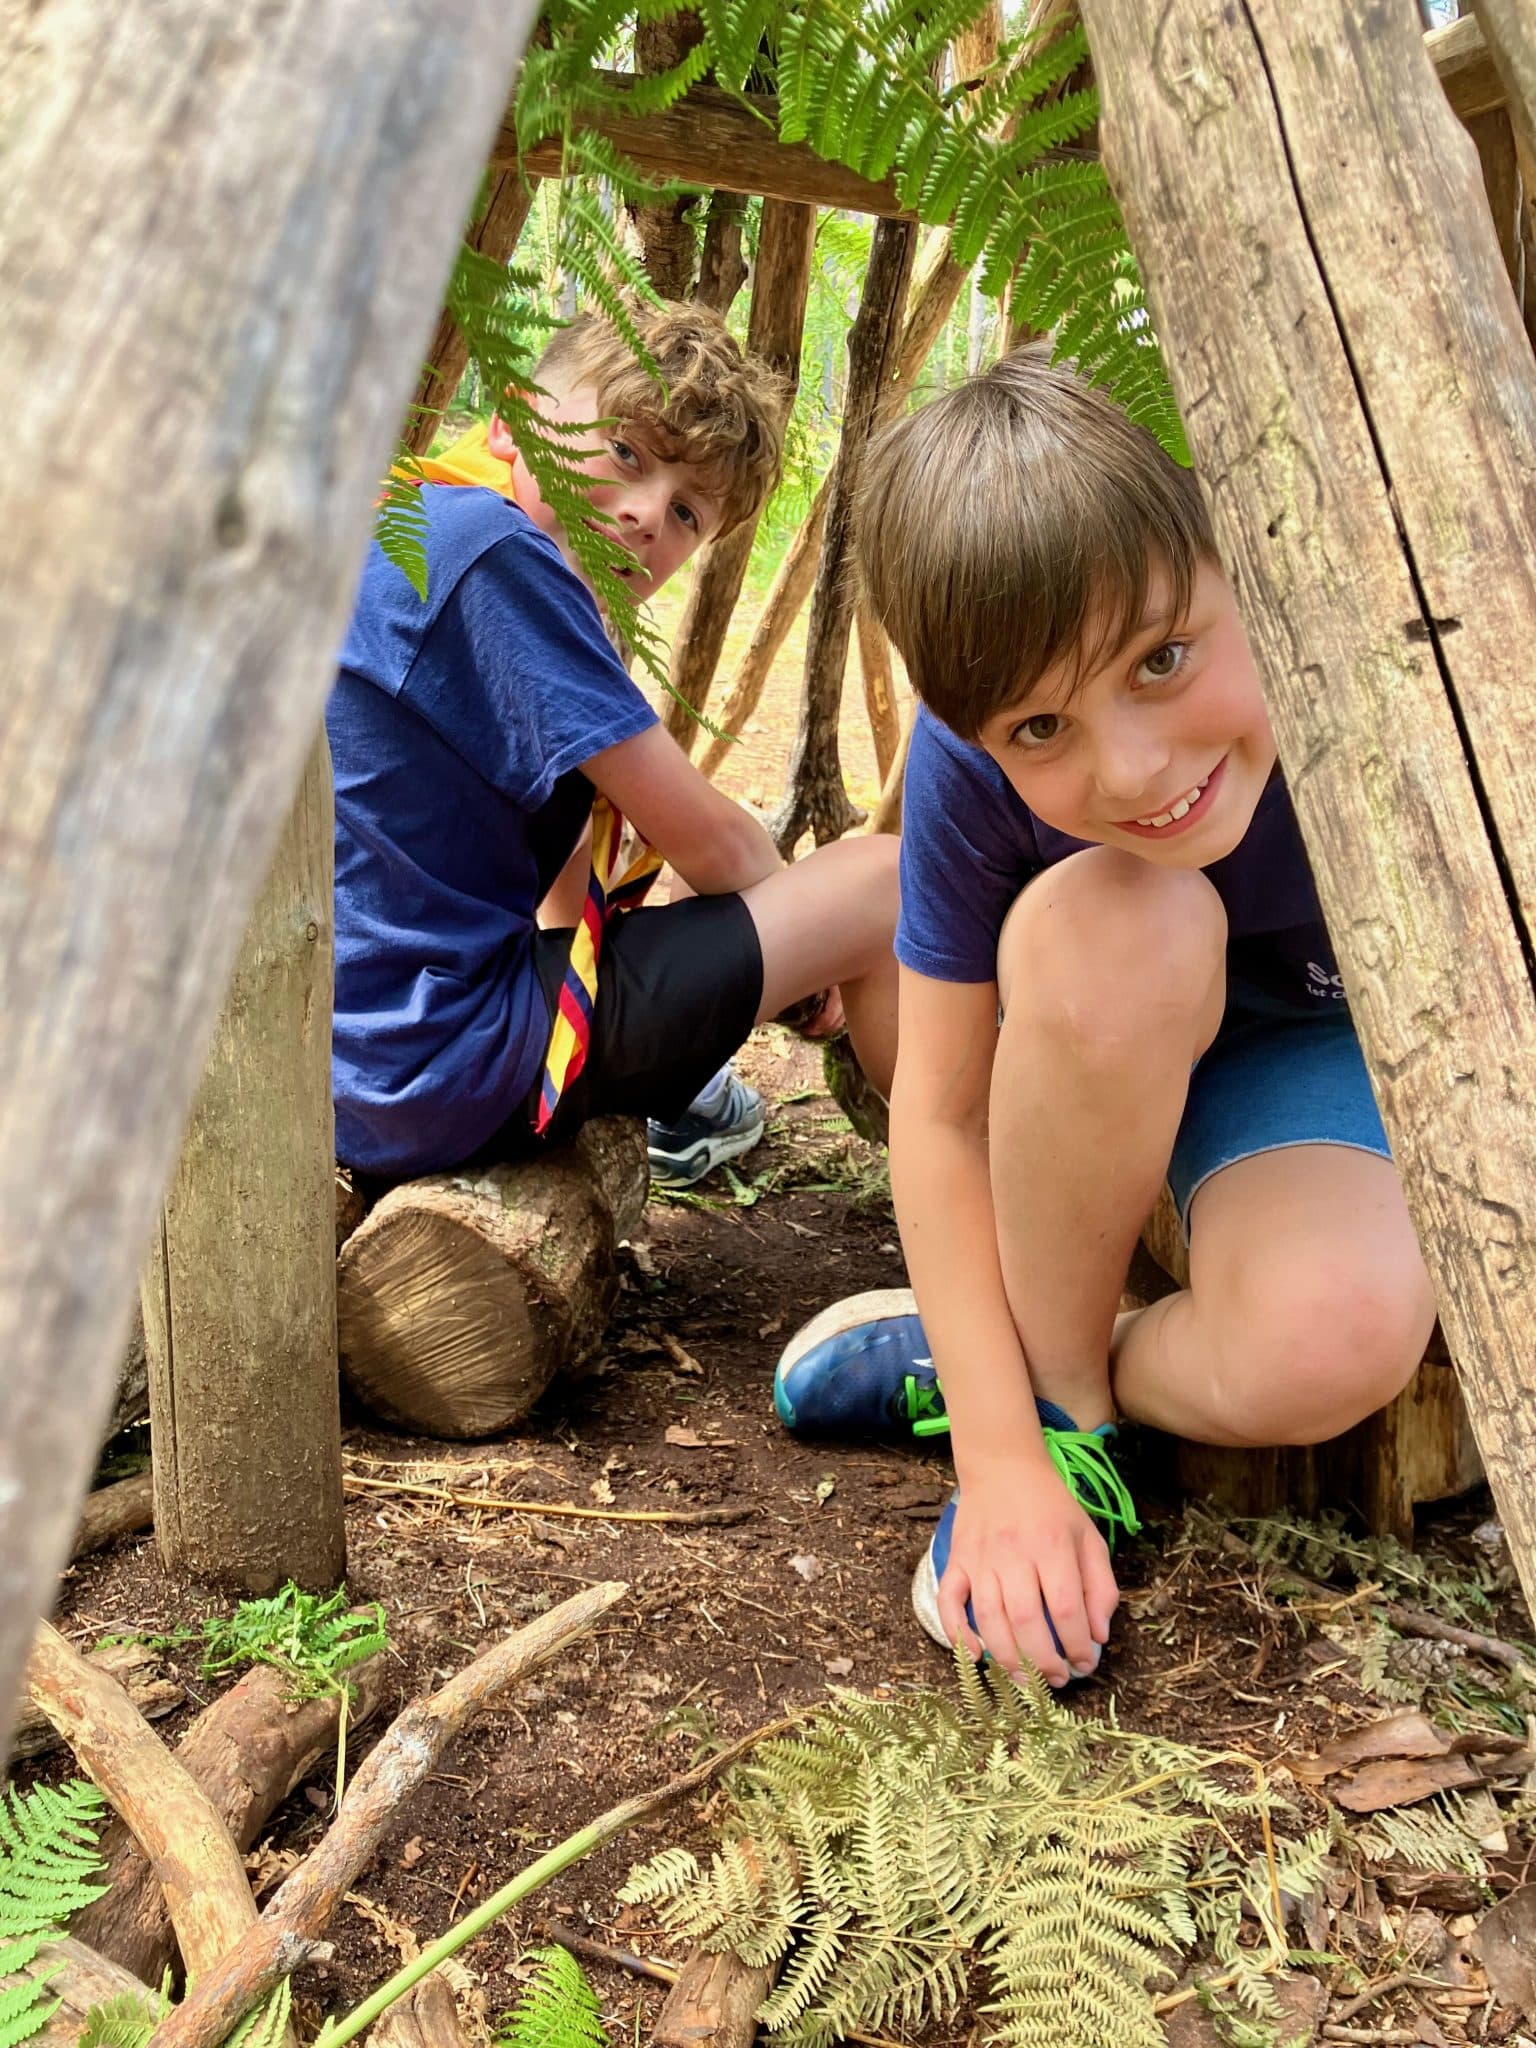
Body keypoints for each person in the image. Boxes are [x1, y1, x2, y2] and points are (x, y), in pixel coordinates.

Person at [774, 344, 1435, 1690]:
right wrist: (1007, 1463)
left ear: (1240, 552)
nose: (1133, 767)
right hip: (1118, 1018)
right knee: (1127, 914)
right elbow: (939, 1112)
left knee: (1335, 1338)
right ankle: (1056, 1403)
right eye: (1039, 729)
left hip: (1329, 1045)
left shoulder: (1404, 636)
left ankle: (987, 1349)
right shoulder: (971, 773)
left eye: (1164, 657)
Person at [329, 300, 899, 1190]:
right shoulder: (497, 558)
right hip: (426, 1064)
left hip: (349, 1054)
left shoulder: (420, 513)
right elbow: (714, 843)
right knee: (883, 885)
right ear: (517, 418)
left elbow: (563, 876)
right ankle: (951, 1156)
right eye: (627, 453)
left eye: (686, 516)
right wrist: (812, 965)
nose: (645, 516)